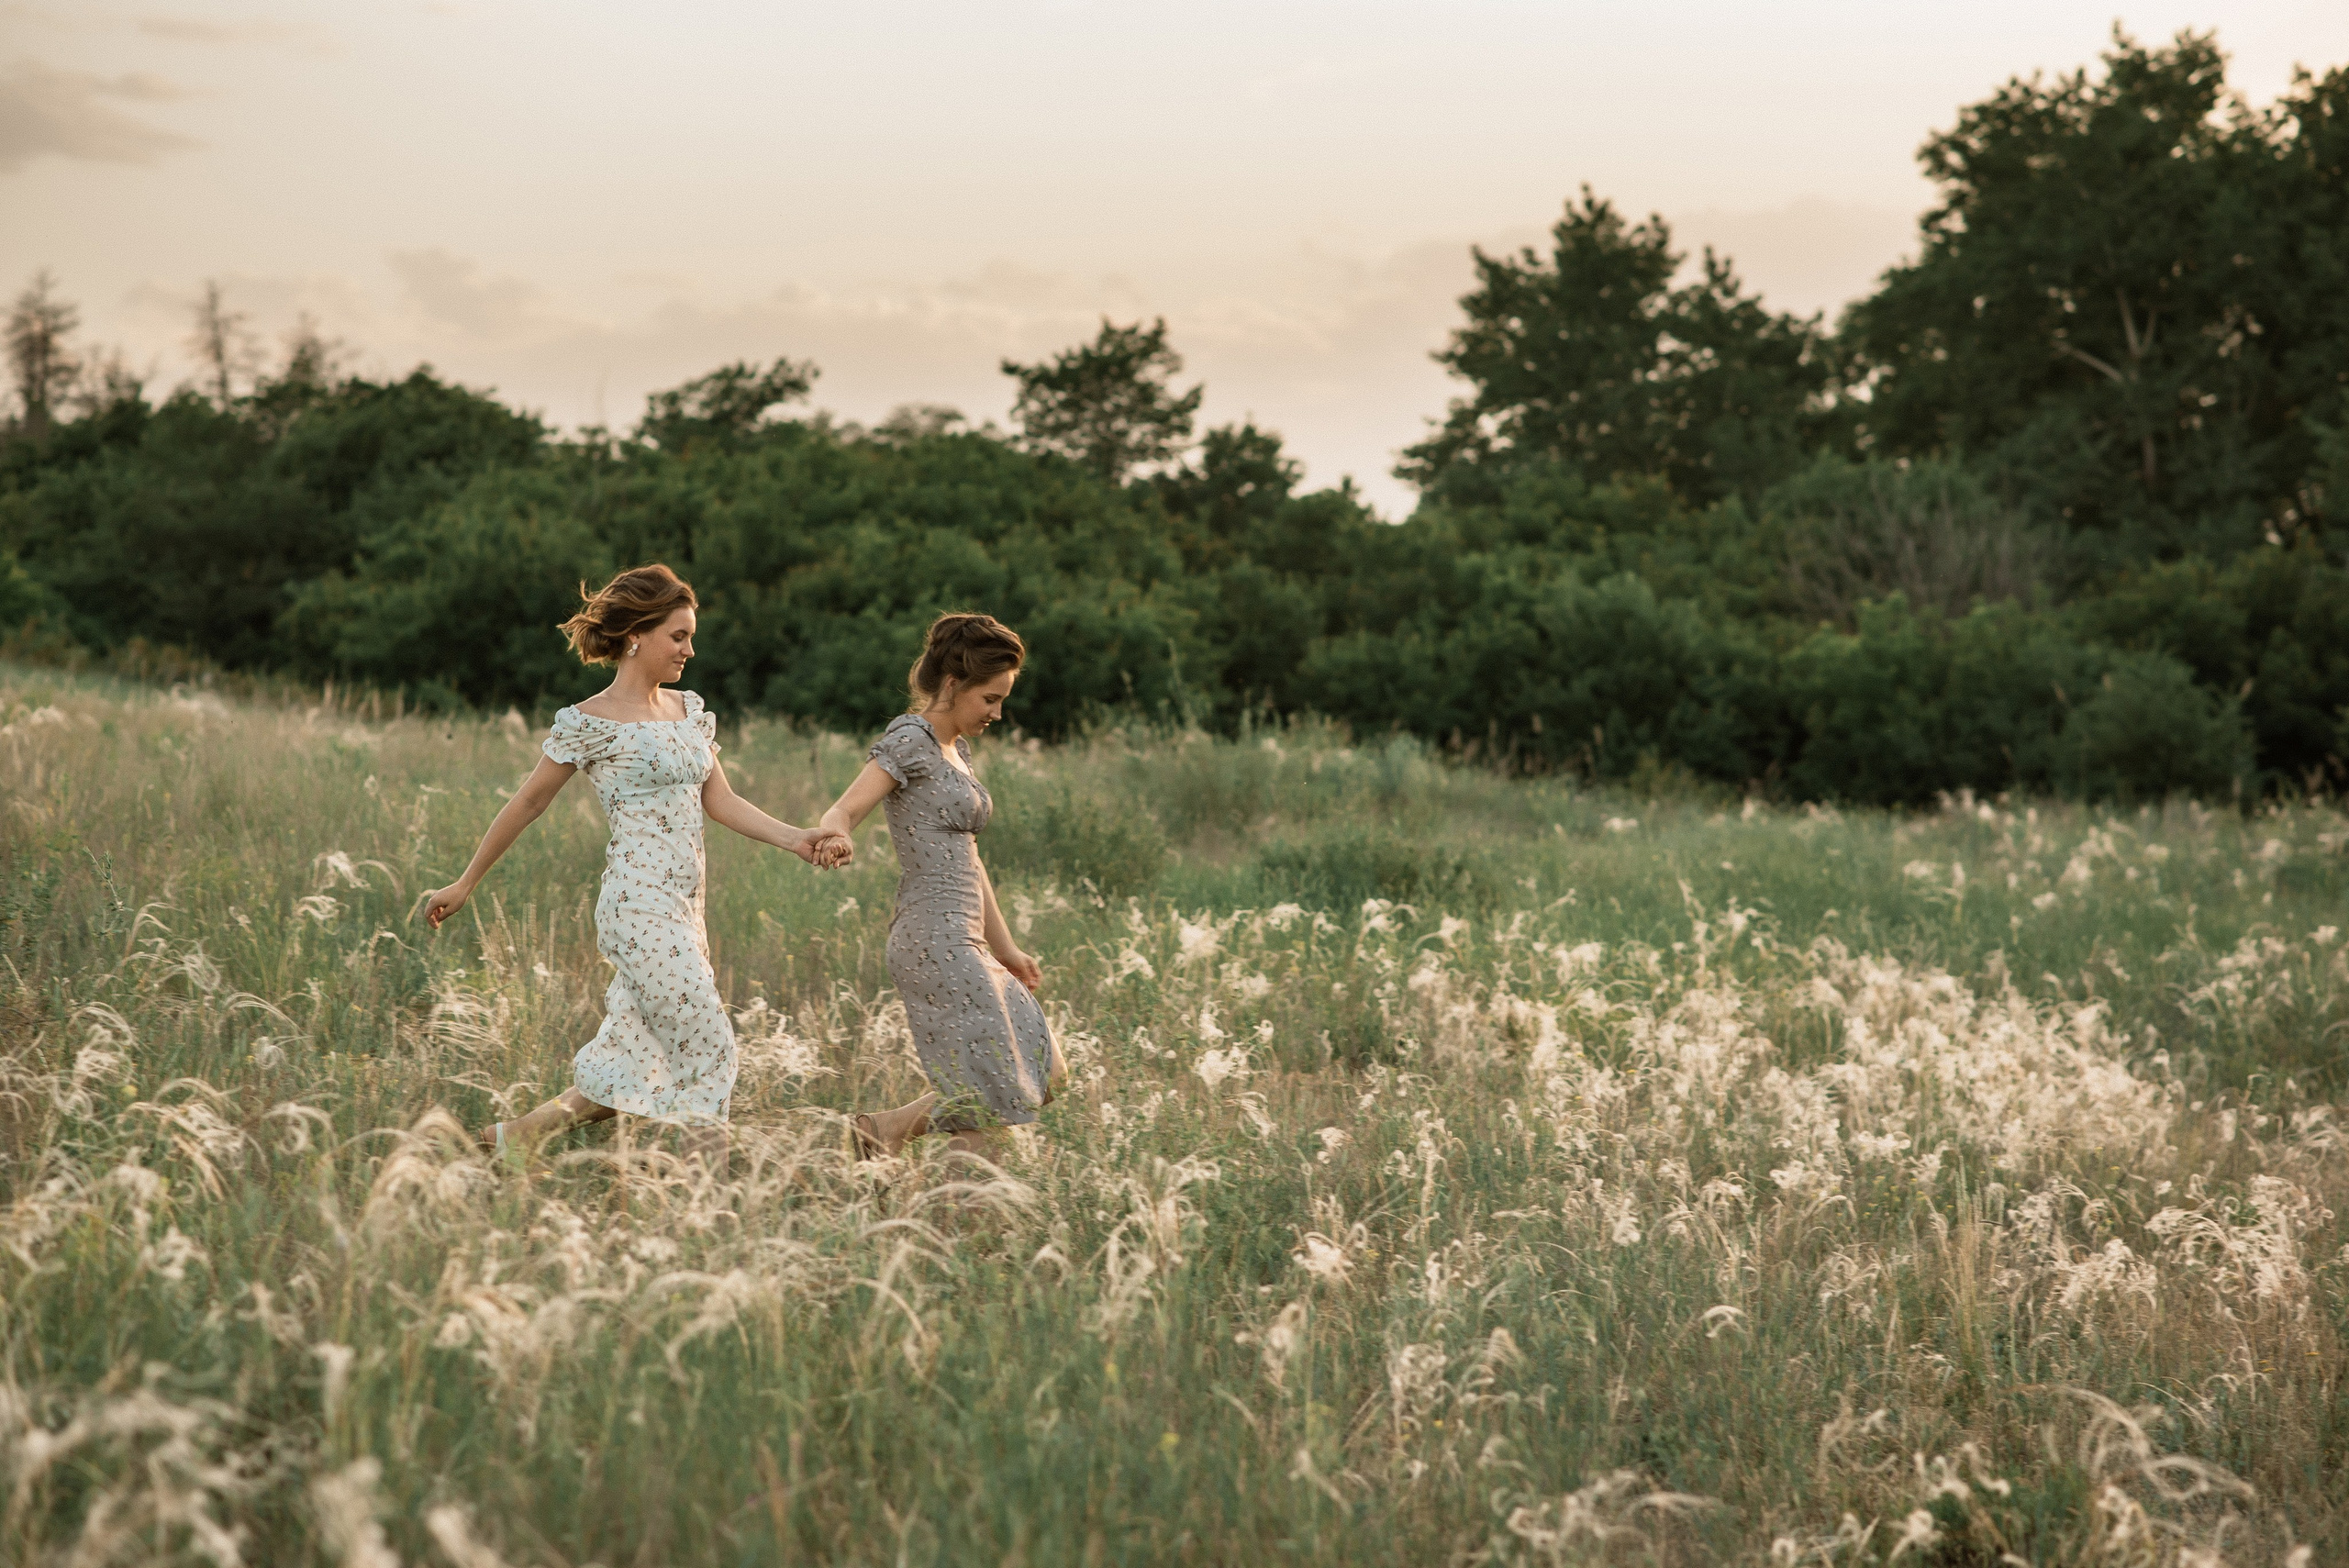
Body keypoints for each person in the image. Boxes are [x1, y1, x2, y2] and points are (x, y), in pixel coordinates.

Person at [417, 564, 845, 1173]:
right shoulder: (589, 721)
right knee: (708, 1045)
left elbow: (720, 799)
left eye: (691, 637)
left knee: (637, 1059)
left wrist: (797, 838)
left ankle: (512, 1139)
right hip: (637, 907)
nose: (689, 650)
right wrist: (466, 882)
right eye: (679, 636)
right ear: (637, 635)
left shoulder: (687, 710)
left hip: (686, 910)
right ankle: (706, 1200)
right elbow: (528, 802)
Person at [819, 613, 1061, 1163]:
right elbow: (844, 808)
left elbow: (970, 859)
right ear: (953, 685)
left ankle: (883, 1130)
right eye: (990, 699)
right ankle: (961, 1213)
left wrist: (1007, 948)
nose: (997, 713)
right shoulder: (911, 740)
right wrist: (837, 835)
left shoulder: (958, 751)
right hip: (933, 938)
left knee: (1043, 1072)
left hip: (968, 937)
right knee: (986, 1100)